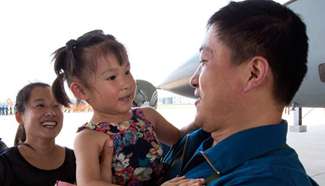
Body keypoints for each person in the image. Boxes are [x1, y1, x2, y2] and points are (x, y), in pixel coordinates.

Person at [162, 0, 319, 185]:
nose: (193, 80)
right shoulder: (197, 141)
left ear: (253, 73)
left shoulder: (267, 180)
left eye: (204, 61)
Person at [51, 30, 201, 186]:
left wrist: (198, 122)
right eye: (112, 77)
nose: (126, 83)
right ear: (81, 91)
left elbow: (179, 138)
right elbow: (88, 183)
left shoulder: (147, 116)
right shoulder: (88, 138)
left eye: (127, 71)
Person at [0, 82, 76, 186]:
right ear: (19, 117)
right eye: (40, 105)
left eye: (56, 106)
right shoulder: (5, 164)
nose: (51, 112)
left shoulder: (77, 160)